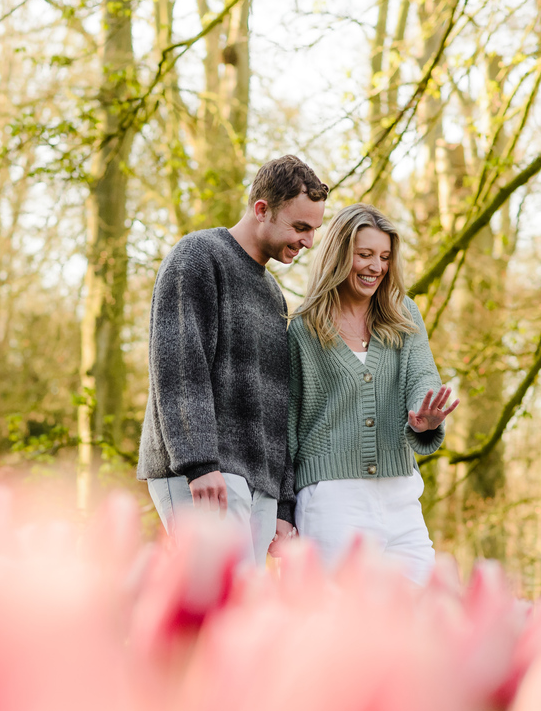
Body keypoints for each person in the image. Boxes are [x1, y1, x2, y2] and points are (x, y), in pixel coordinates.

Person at [137, 155, 328, 566]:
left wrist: (281, 502)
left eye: (314, 229)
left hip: (257, 484)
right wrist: (200, 463)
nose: (309, 241)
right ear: (262, 209)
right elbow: (179, 366)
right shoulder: (198, 258)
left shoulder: (274, 294)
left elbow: (279, 407)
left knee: (243, 612)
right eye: (300, 227)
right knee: (214, 609)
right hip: (203, 475)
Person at [287, 203, 458, 584]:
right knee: (341, 627)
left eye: (384, 257)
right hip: (332, 498)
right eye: (364, 255)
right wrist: (283, 511)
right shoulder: (303, 329)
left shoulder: (403, 315)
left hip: (401, 496)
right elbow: (287, 425)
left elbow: (422, 378)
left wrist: (425, 417)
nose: (376, 267)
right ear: (339, 255)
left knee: (421, 615)